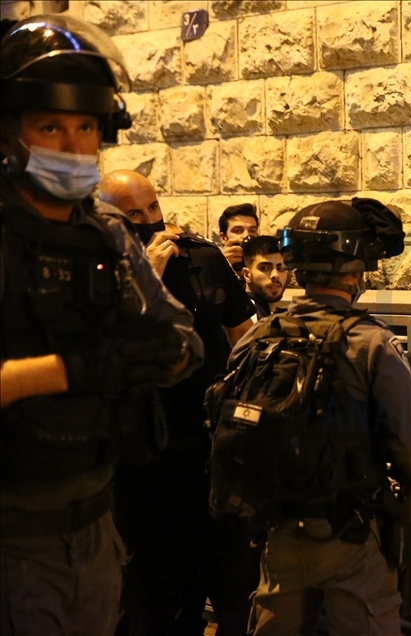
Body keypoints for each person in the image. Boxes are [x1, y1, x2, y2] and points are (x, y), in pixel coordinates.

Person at [0, 14, 203, 634]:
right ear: (9, 134)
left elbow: (183, 341)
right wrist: (81, 369)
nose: (72, 146)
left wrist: (156, 357)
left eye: (85, 126)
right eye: (50, 127)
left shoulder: (107, 234)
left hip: (97, 526)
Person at [232, 198, 411, 635]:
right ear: (354, 270)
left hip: (278, 531)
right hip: (350, 533)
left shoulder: (258, 337)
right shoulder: (372, 342)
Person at [98, 170, 258, 636]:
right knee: (154, 584)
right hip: (144, 454)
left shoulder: (201, 258)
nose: (150, 219)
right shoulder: (100, 271)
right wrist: (144, 276)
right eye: (134, 214)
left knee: (229, 576)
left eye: (153, 207)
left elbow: (243, 336)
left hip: (209, 443)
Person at [241, 234, 289, 321]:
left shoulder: (269, 313)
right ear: (247, 274)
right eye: (264, 268)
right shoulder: (246, 316)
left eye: (280, 268)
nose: (275, 275)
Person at [219, 202, 259, 273]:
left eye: (252, 231)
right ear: (223, 238)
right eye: (238, 231)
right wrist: (222, 266)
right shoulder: (211, 268)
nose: (246, 235)